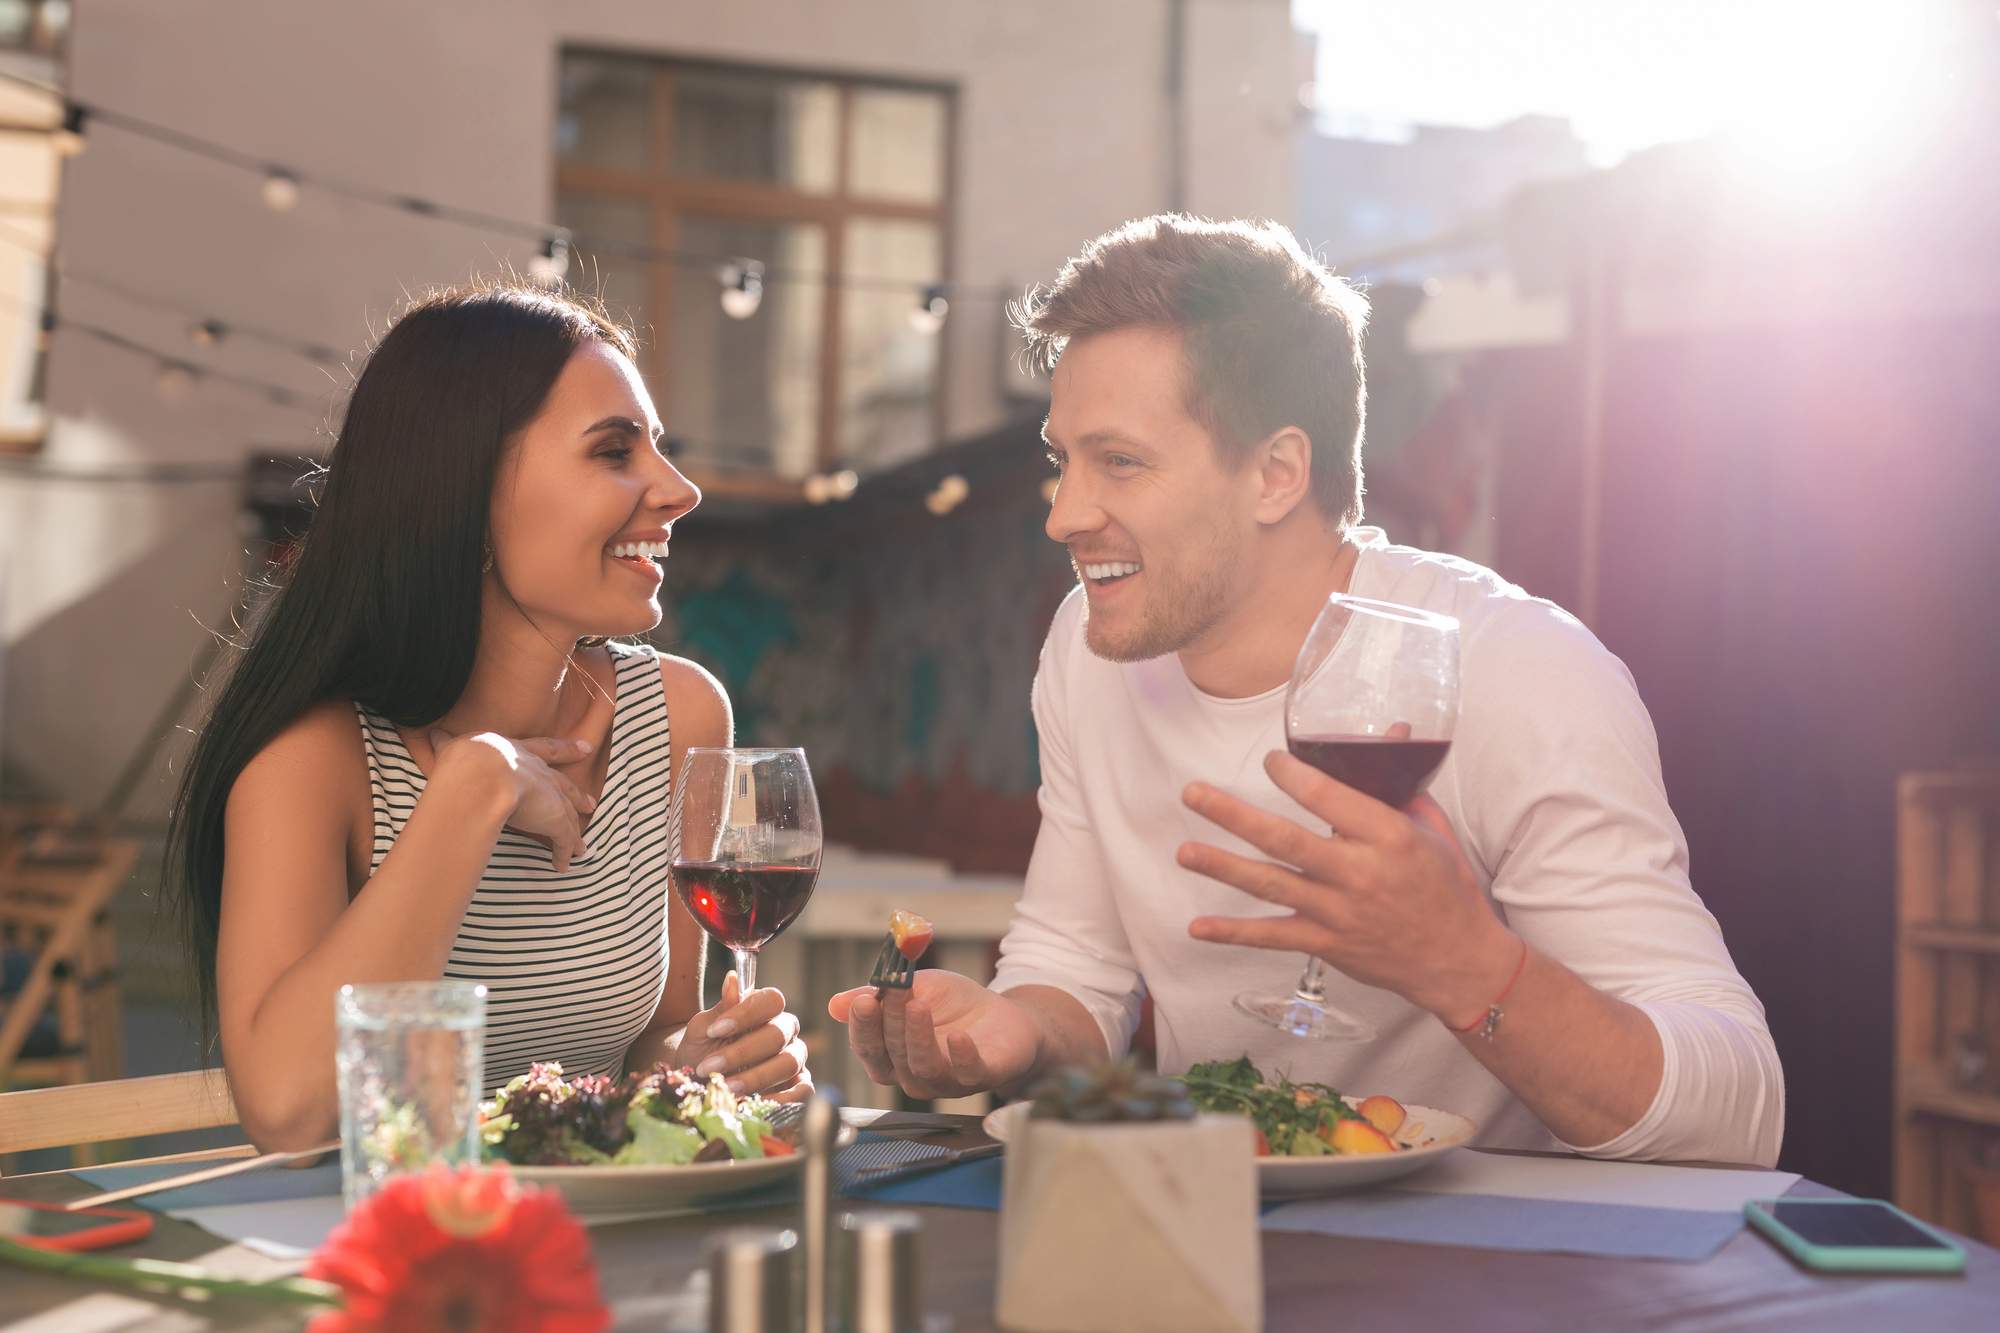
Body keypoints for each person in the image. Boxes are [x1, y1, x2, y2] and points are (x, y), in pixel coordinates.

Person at [831, 216, 1783, 1164]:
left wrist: (1472, 969)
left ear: (1277, 473)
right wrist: (1011, 1030)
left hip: (1482, 1267)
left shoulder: (1513, 667)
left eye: (1118, 461)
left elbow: (1736, 1114)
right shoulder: (1088, 651)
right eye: (1062, 461)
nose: (1067, 515)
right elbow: (1076, 968)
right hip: (1206, 1239)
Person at [166, 282, 810, 1153]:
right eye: (614, 451)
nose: (679, 490)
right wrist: (477, 787)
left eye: (658, 448)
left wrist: (693, 1069)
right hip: (394, 1252)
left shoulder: (680, 714)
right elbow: (288, 1114)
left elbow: (647, 1043)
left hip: (597, 1245)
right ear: (462, 490)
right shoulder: (314, 759)